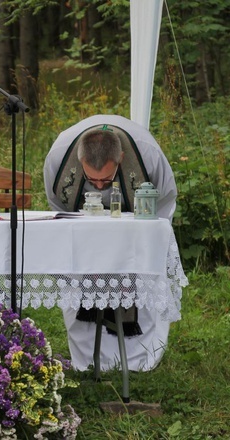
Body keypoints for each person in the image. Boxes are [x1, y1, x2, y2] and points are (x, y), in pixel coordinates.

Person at [43, 114, 177, 372]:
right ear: (81, 162)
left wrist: (147, 242)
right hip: (84, 232)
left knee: (138, 282)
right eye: (92, 180)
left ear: (121, 160)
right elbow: (58, 202)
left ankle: (139, 358)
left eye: (106, 180)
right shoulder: (60, 156)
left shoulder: (147, 153)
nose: (99, 186)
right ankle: (89, 359)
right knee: (80, 282)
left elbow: (164, 202)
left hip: (133, 235)